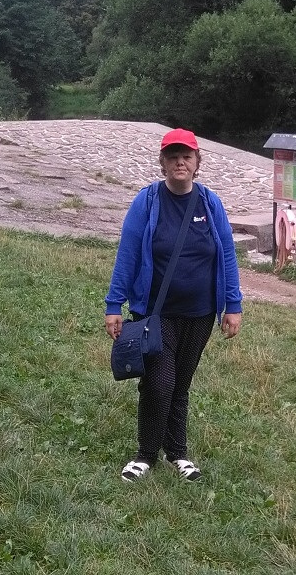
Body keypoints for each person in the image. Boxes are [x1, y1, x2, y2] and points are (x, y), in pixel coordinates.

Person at [105, 128, 243, 482]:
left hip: (200, 312)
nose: (180, 162)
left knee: (180, 384)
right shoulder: (148, 201)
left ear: (197, 163)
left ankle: (178, 454)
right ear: (163, 163)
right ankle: (145, 455)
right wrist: (114, 304)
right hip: (156, 313)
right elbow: (128, 253)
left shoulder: (210, 204)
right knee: (159, 383)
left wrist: (232, 305)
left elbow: (227, 254)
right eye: (173, 157)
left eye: (186, 156)